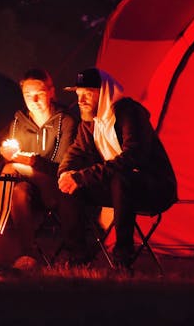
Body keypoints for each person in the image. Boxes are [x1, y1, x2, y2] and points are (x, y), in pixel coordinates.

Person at [58, 67, 177, 269]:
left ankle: (123, 256)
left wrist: (82, 177)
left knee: (121, 180)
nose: (81, 101)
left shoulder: (129, 113)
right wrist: (65, 174)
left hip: (153, 187)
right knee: (69, 186)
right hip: (118, 188)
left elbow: (133, 157)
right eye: (79, 94)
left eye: (87, 94)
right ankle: (79, 254)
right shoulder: (89, 124)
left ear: (103, 93)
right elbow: (75, 153)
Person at [0, 68, 82, 268]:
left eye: (39, 94)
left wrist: (29, 161)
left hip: (58, 187)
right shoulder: (19, 122)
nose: (34, 100)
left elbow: (62, 167)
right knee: (18, 189)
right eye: (28, 95)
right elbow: (8, 155)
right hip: (29, 190)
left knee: (11, 170)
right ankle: (27, 254)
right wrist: (8, 154)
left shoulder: (66, 122)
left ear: (51, 92)